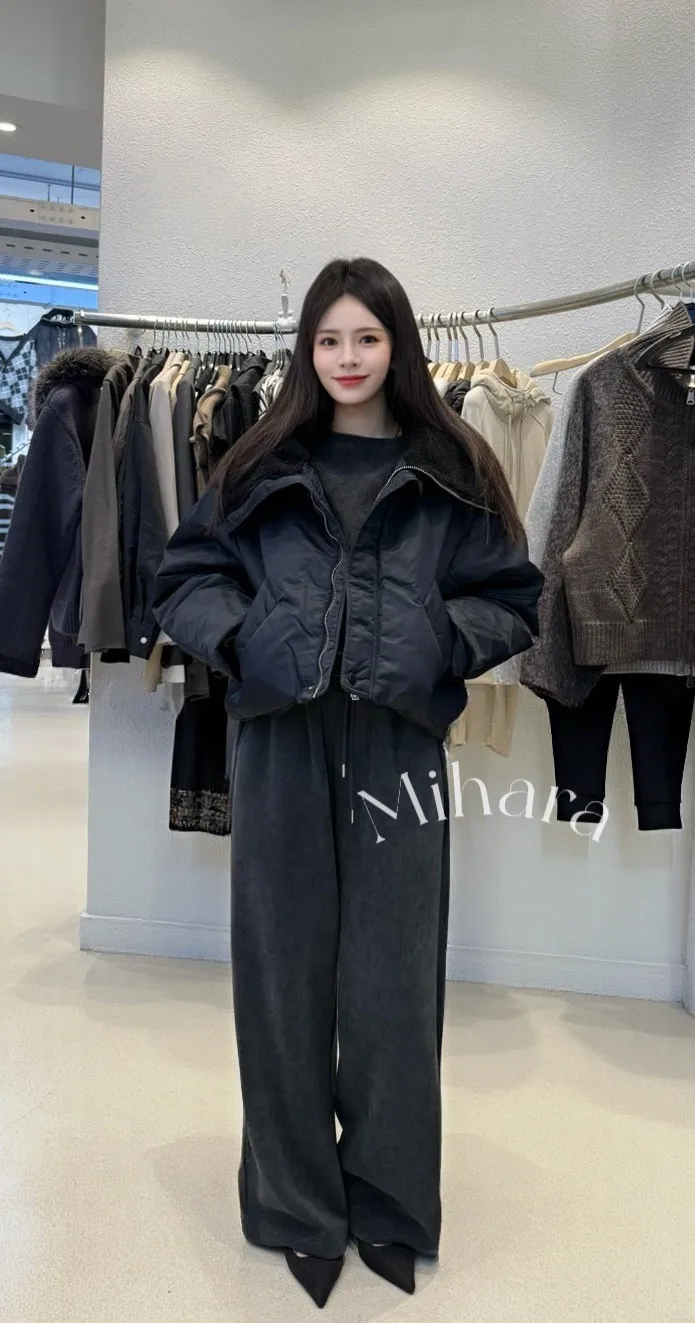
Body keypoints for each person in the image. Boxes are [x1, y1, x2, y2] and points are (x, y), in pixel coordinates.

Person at [153, 258, 543, 1308]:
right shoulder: (260, 459)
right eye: (328, 340)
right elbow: (182, 578)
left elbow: (513, 596)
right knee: (280, 979)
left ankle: (390, 1204)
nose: (347, 358)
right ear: (307, 351)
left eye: (366, 337)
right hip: (279, 744)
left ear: (397, 345)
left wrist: (435, 644)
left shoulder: (450, 465)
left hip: (397, 748)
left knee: (391, 985)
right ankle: (294, 1206)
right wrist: (246, 639)